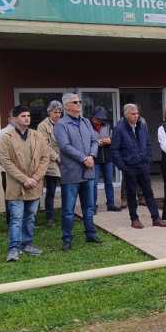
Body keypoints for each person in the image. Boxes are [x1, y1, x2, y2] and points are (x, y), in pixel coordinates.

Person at [0, 106, 50, 262]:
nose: (27, 118)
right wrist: (24, 179)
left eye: (28, 115)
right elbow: (6, 161)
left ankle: (27, 244)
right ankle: (13, 249)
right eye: (22, 116)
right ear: (14, 119)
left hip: (34, 184)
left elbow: (45, 158)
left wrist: (35, 178)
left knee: (30, 218)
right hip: (16, 185)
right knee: (16, 218)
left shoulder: (37, 136)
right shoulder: (6, 137)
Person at [53, 93, 101, 250]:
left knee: (89, 207)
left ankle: (91, 234)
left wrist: (92, 156)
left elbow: (95, 141)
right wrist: (83, 158)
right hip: (72, 173)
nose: (79, 104)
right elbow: (65, 146)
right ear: (67, 106)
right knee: (68, 210)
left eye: (80, 101)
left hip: (88, 171)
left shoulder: (86, 122)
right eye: (75, 102)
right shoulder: (61, 124)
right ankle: (67, 239)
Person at [111, 103, 166, 229]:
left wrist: (148, 160)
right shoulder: (119, 129)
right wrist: (123, 167)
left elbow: (147, 144)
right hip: (129, 167)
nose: (136, 116)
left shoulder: (141, 126)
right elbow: (114, 150)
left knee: (149, 193)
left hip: (143, 165)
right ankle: (134, 219)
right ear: (126, 115)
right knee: (131, 194)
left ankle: (156, 218)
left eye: (137, 113)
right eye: (133, 114)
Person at [36, 101, 63, 226]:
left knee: (67, 190)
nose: (58, 114)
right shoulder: (42, 126)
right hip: (51, 162)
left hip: (66, 161)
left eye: (59, 112)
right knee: (51, 191)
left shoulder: (63, 123)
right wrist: (57, 157)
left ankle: (66, 214)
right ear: (49, 112)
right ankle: (50, 218)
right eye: (55, 112)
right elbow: (44, 146)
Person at [90, 107, 117, 213]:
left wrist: (101, 141)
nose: (100, 120)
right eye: (98, 118)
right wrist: (100, 141)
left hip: (107, 157)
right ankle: (92, 206)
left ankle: (110, 204)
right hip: (95, 158)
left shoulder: (107, 125)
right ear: (93, 117)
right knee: (94, 183)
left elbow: (112, 139)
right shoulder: (88, 126)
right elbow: (90, 141)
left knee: (109, 182)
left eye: (102, 118)